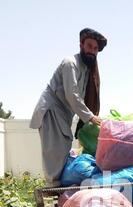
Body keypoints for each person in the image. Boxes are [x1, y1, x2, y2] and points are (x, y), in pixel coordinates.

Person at [30, 28, 107, 187]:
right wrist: (90, 117)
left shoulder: (87, 71)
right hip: (51, 112)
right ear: (81, 45)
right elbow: (72, 95)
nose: (92, 51)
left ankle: (58, 195)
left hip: (64, 116)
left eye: (95, 49)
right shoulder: (70, 63)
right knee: (54, 157)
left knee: (62, 156)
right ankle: (53, 193)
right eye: (89, 46)